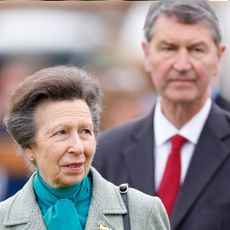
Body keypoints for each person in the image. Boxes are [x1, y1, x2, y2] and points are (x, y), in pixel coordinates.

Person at [93, 0, 230, 229]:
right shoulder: (106, 152)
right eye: (169, 48)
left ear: (218, 56)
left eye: (196, 49)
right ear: (147, 54)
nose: (182, 64)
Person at [0, 66, 170, 230]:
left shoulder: (143, 212)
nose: (78, 147)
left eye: (85, 131)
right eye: (61, 133)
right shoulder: (4, 219)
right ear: (29, 147)